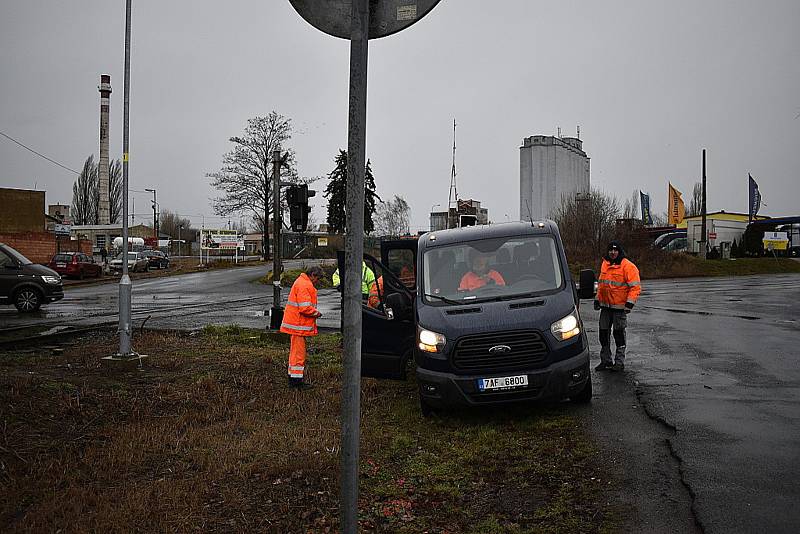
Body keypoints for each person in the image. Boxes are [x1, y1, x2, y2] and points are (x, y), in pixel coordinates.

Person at [594, 241, 641, 372]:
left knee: (618, 334)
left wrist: (629, 304)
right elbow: (601, 284)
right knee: (603, 334)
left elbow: (635, 287)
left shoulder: (628, 266)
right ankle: (606, 360)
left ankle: (619, 362)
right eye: (610, 250)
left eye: (615, 250)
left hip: (620, 308)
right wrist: (597, 300)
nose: (612, 253)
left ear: (619, 252)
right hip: (605, 307)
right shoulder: (605, 264)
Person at [280, 266, 324, 389]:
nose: (317, 282)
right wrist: (317, 313)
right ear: (313, 275)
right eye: (318, 279)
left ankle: (293, 378)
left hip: (296, 325)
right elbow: (305, 308)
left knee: (295, 353)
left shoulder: (301, 282)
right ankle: (296, 382)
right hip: (298, 326)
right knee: (298, 354)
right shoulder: (305, 285)